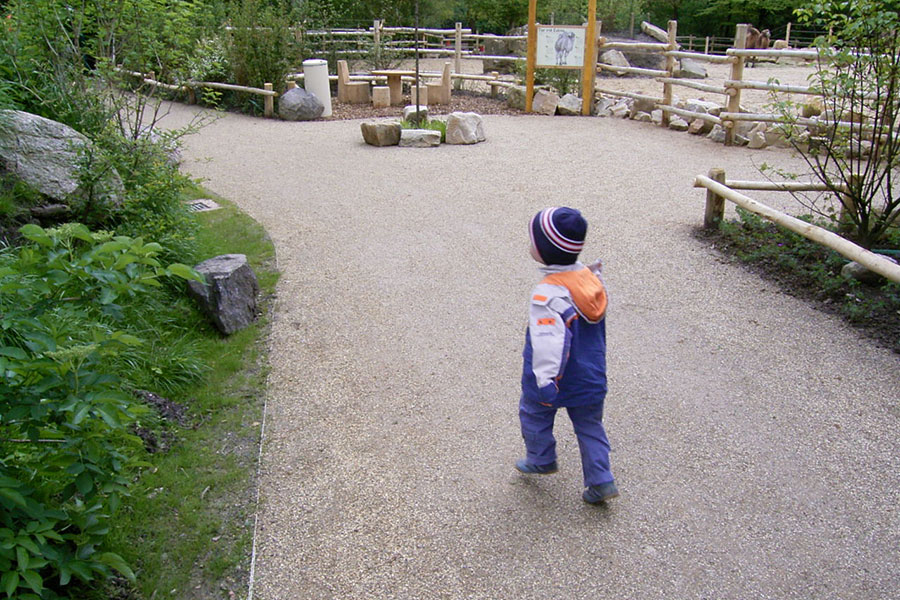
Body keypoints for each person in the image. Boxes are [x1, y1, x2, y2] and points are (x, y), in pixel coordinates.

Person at [516, 207, 618, 504]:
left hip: (554, 376)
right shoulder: (589, 280)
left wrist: (545, 381)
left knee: (534, 413)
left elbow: (549, 342)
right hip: (590, 376)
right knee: (590, 426)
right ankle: (601, 479)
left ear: (544, 251)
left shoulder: (548, 295)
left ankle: (540, 457)